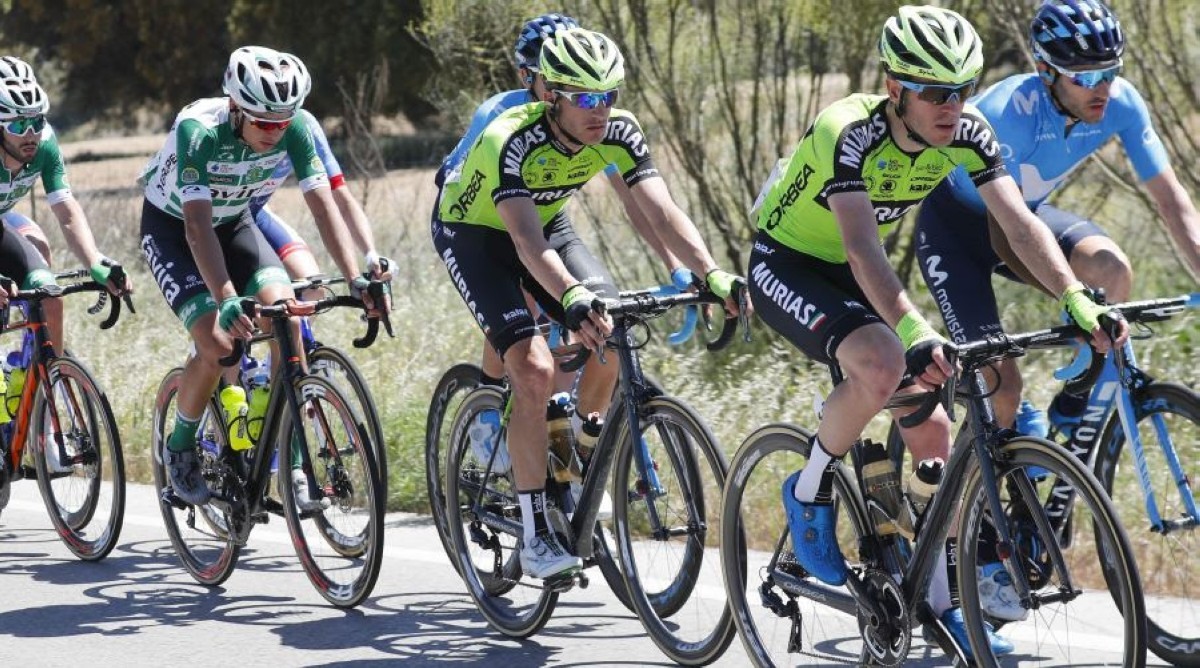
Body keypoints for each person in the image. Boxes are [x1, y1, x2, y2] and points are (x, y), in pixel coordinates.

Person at [746, 5, 1125, 659]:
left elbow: (1019, 223)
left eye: (964, 89)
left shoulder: (968, 132)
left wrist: (1074, 297)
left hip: (854, 273)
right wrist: (916, 327)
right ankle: (808, 492)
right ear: (896, 89)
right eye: (937, 92)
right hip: (789, 264)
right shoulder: (851, 131)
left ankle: (944, 607)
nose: (953, 106)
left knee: (937, 435)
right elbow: (863, 249)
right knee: (882, 358)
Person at [914, 0, 1200, 622]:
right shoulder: (1004, 114)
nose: (1100, 88)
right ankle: (976, 548)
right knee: (1003, 386)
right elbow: (1008, 232)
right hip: (961, 233)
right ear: (1046, 71)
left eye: (1108, 72)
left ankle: (1075, 411)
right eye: (1083, 77)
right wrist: (1072, 297)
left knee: (1114, 272)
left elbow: (1172, 201)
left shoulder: (1121, 102)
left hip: (1025, 222)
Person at [432, 27, 745, 581]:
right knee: (532, 369)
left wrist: (710, 271)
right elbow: (525, 246)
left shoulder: (618, 131)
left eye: (609, 96)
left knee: (614, 327)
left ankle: (575, 447)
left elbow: (659, 207)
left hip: (544, 221)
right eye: (586, 98)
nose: (601, 111)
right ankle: (534, 534)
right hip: (475, 232)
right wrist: (570, 297)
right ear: (551, 96)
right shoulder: (512, 135)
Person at [140, 46, 383, 509]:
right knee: (218, 343)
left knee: (288, 321)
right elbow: (195, 227)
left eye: (283, 122)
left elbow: (322, 204)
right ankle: (180, 448)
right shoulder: (200, 130)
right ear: (235, 106)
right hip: (174, 228)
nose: (275, 132)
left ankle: (287, 459)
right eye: (264, 123)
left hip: (234, 224)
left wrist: (355, 278)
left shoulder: (294, 129)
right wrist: (227, 295)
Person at [439, 13, 696, 400]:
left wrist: (676, 264)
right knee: (522, 312)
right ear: (531, 78)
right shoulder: (499, 117)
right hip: (489, 216)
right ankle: (489, 396)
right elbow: (461, 189)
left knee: (593, 321)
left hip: (543, 215)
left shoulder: (587, 120)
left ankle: (573, 434)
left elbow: (635, 199)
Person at [0, 56, 129, 361]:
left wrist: (95, 260)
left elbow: (66, 210)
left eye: (36, 121)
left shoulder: (44, 144)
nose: (30, 134)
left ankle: (44, 389)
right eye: (19, 124)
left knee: (50, 294)